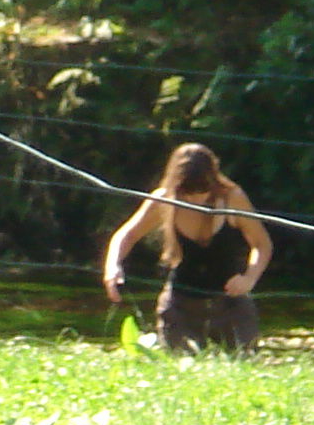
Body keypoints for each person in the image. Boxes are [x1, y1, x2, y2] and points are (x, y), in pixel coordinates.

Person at [101, 142, 272, 354]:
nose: (196, 198)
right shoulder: (163, 199)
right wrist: (113, 267)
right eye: (188, 191)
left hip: (231, 307)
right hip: (181, 308)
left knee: (243, 365)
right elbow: (126, 235)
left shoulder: (232, 198)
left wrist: (249, 278)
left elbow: (262, 244)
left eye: (203, 190)